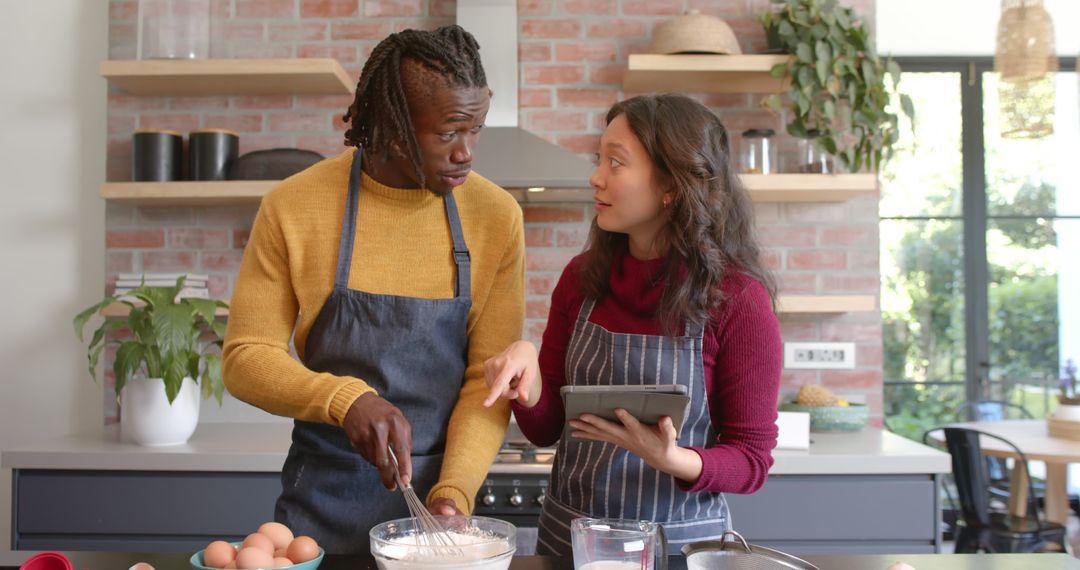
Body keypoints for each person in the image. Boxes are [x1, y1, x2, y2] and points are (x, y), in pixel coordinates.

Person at [223, 25, 524, 554]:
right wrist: (345, 398)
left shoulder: (495, 217)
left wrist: (453, 494)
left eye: (475, 129)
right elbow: (246, 357)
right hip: (320, 507)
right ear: (391, 126)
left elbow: (487, 380)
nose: (466, 152)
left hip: (436, 522)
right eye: (449, 132)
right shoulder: (295, 207)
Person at [483, 93, 782, 554]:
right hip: (569, 546)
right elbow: (547, 429)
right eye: (598, 159)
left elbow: (751, 461)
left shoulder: (738, 300)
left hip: (678, 551)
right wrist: (527, 374)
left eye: (615, 163)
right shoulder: (581, 278)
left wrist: (671, 458)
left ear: (671, 185)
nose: (595, 176)